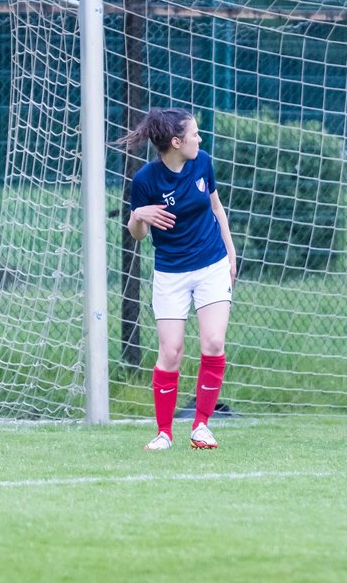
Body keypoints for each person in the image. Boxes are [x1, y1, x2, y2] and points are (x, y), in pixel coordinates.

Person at [121, 108, 237, 451]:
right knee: (171, 352)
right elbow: (138, 234)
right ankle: (164, 433)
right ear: (175, 142)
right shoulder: (145, 180)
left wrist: (231, 254)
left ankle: (201, 426)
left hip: (211, 265)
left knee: (213, 342)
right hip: (170, 272)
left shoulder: (201, 162)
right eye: (194, 134)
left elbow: (216, 208)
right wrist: (138, 215)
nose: (199, 140)